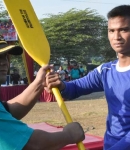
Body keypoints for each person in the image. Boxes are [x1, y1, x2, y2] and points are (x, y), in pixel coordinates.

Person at [0, 27, 85, 150]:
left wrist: (40, 82)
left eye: (5, 56)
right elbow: (32, 145)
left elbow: (10, 111)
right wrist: (69, 135)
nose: (4, 62)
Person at [45, 5, 130, 150]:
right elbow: (76, 88)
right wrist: (60, 85)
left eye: (124, 29)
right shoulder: (105, 70)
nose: (116, 37)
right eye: (111, 31)